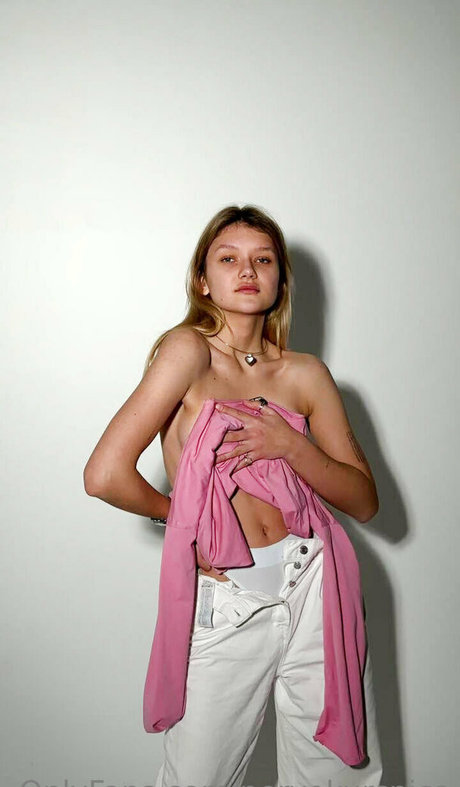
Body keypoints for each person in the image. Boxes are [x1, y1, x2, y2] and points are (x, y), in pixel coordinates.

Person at [84, 204, 383, 787]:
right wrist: (187, 524)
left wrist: (291, 446)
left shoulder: (305, 373)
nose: (247, 271)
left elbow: (364, 501)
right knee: (200, 776)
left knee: (335, 774)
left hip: (313, 583)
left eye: (263, 260)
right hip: (229, 594)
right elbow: (105, 474)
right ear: (203, 279)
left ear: (280, 280)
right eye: (228, 259)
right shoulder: (187, 351)